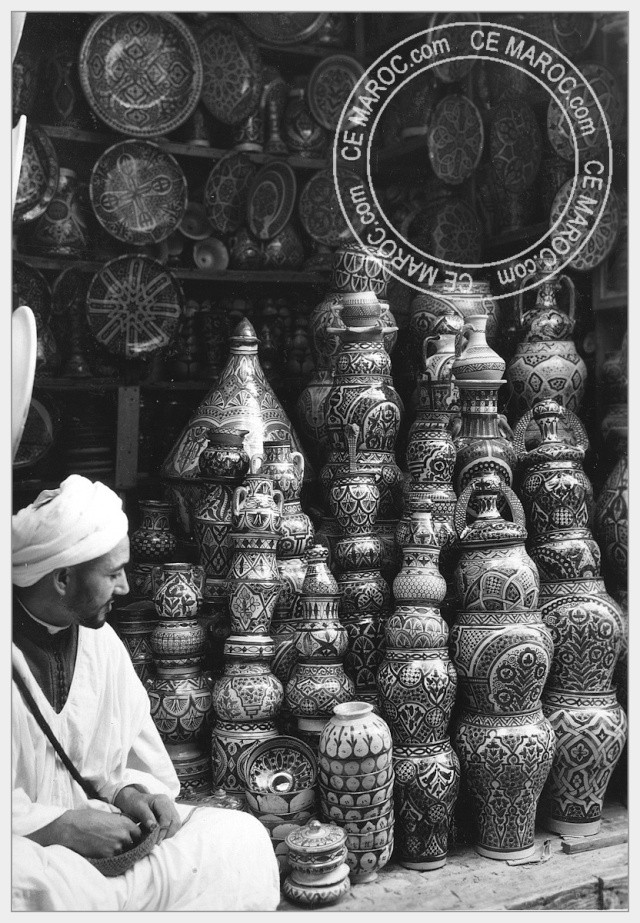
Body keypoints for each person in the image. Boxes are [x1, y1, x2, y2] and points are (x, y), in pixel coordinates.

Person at [11, 475, 281, 912]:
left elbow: (124, 762)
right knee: (21, 880)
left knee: (241, 838)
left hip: (107, 845)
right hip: (36, 854)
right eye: (113, 574)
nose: (125, 589)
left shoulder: (101, 644)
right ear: (62, 578)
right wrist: (60, 827)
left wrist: (132, 794)